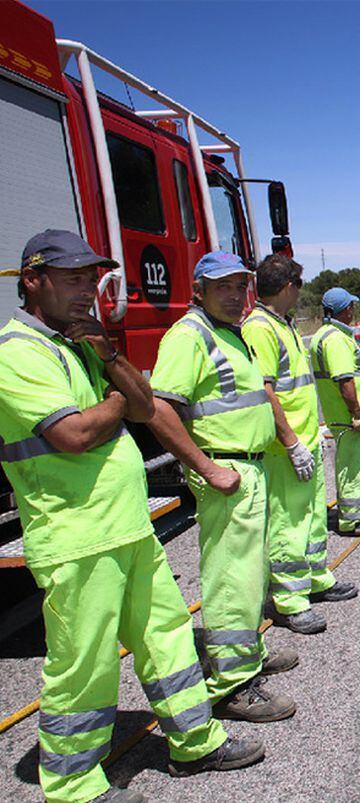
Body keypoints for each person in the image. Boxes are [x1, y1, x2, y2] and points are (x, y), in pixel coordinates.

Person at [0, 231, 261, 803]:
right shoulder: (18, 351)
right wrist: (121, 391)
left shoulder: (81, 342)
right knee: (84, 667)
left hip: (126, 526)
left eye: (91, 279)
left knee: (167, 635)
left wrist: (111, 358)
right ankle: (73, 785)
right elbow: (74, 434)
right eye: (71, 279)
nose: (86, 291)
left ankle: (195, 742)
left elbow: (147, 407)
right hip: (76, 536)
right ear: (32, 281)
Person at [147, 251, 298, 724]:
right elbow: (160, 407)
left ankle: (247, 651)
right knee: (232, 579)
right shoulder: (190, 336)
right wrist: (207, 468)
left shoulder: (230, 333)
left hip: (249, 470)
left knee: (250, 574)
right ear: (199, 291)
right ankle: (232, 684)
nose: (235, 296)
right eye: (223, 288)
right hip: (228, 472)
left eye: (241, 287)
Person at [243, 255, 358, 636]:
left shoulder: (282, 324)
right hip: (284, 447)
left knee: (309, 518)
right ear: (289, 287)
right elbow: (265, 390)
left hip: (305, 438)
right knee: (288, 523)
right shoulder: (260, 327)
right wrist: (290, 442)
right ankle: (289, 601)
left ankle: (315, 578)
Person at [309, 289, 360, 538]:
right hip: (349, 418)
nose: (354, 311)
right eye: (352, 306)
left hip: (341, 415)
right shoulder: (336, 339)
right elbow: (344, 379)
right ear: (346, 308)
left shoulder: (325, 335)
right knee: (355, 467)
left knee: (349, 465)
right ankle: (353, 520)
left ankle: (352, 511)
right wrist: (357, 413)